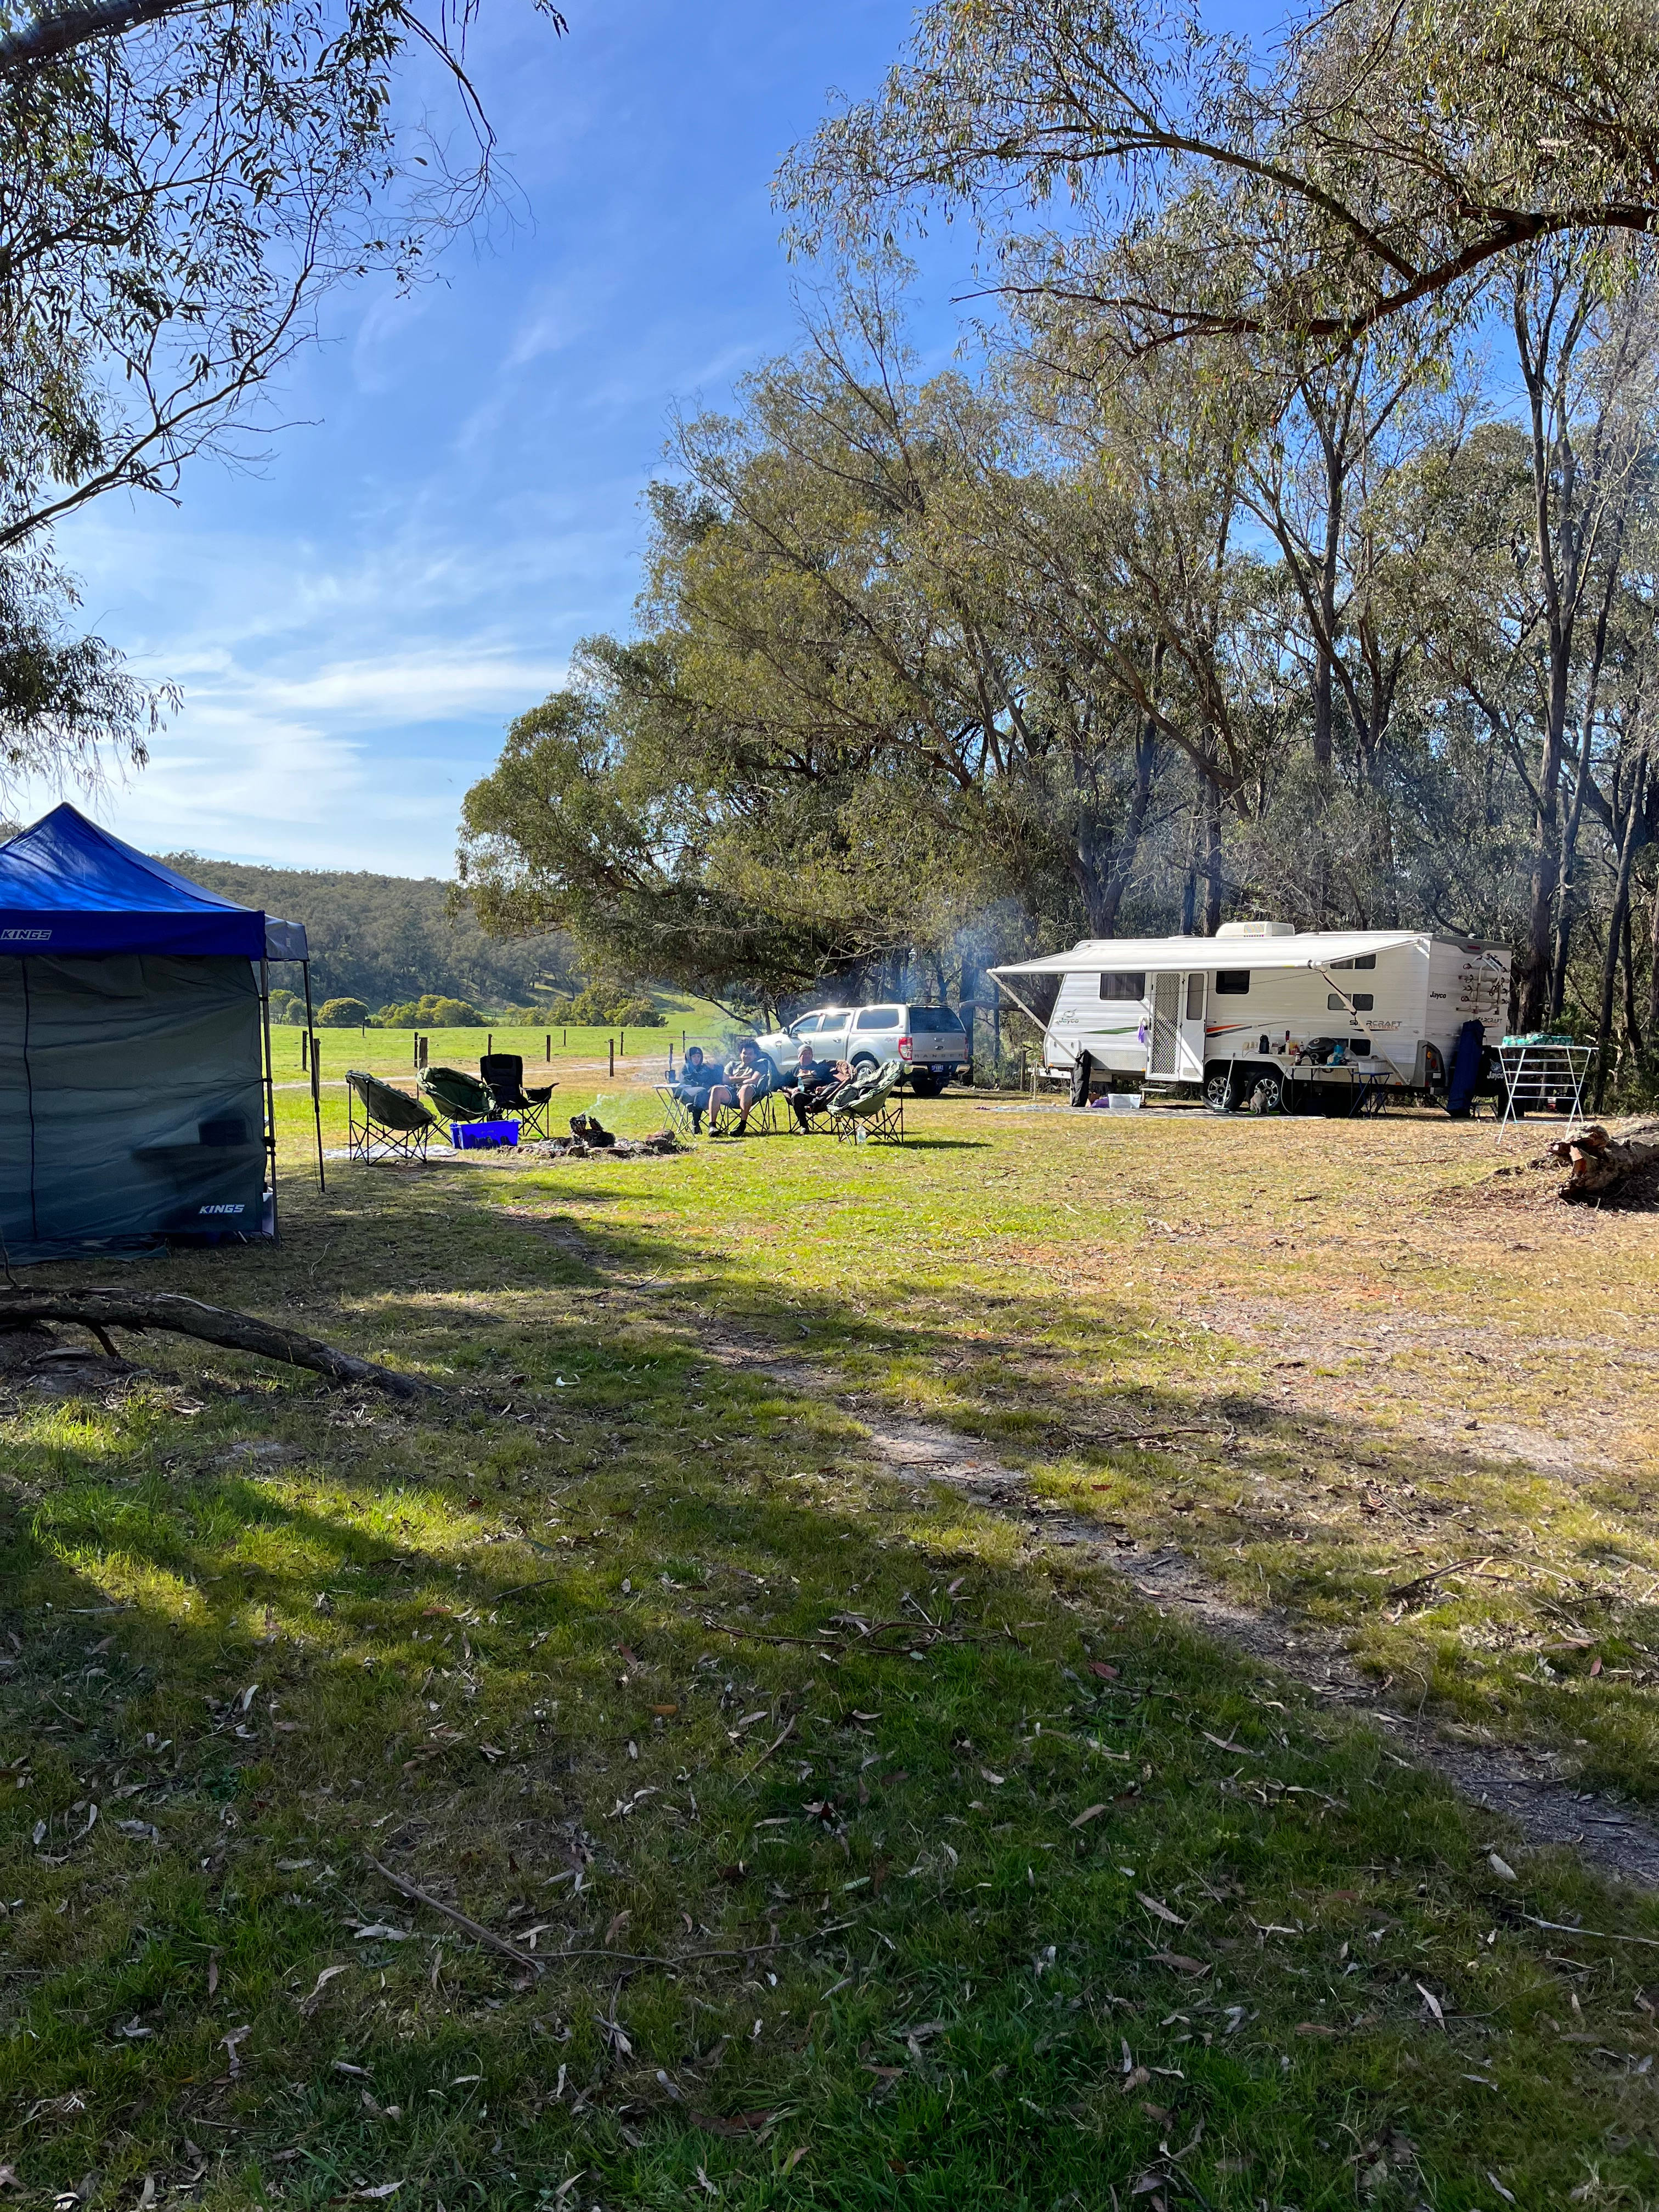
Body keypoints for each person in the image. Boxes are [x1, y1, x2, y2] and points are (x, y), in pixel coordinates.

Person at [708, 1037, 777, 1134]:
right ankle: (712, 1126)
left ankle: (742, 1126)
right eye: (744, 1053)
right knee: (716, 1089)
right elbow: (726, 1080)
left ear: (755, 1056)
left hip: (750, 1095)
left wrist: (735, 1079)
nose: (747, 1056)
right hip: (732, 1093)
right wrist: (745, 1077)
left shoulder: (760, 1065)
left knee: (746, 1088)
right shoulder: (732, 1065)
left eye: (750, 1054)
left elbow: (754, 1080)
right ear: (740, 1054)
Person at [786, 1043, 840, 1130]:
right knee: (796, 1096)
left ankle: (813, 1104)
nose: (808, 1056)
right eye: (805, 1054)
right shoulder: (794, 1071)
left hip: (821, 1097)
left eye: (809, 1054)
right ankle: (804, 1127)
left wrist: (824, 1088)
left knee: (837, 1085)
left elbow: (833, 1083)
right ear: (799, 1056)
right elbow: (782, 1085)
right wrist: (791, 1090)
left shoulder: (820, 1068)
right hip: (804, 1096)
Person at [670, 1045, 723, 1133]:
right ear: (689, 1057)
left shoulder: (705, 1068)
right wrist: (703, 1085)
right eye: (694, 1056)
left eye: (699, 1056)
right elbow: (686, 1083)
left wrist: (713, 1067)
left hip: (705, 1097)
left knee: (709, 1092)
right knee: (701, 1091)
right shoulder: (686, 1069)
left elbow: (721, 1072)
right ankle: (695, 1123)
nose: (697, 1059)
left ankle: (694, 1113)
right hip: (687, 1094)